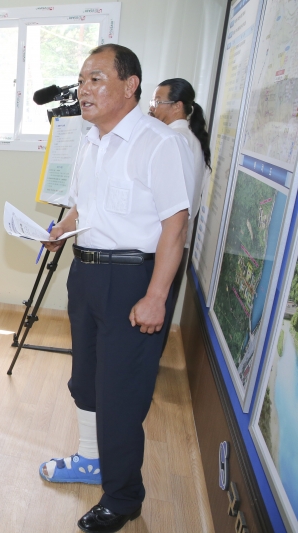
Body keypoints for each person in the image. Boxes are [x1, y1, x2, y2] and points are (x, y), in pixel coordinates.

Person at [39, 45, 193, 533]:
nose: (84, 89)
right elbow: (86, 206)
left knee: (121, 397)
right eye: (82, 79)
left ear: (131, 86)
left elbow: (176, 223)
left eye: (97, 79)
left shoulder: (157, 142)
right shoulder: (91, 139)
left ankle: (124, 497)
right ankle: (91, 459)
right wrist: (62, 228)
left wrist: (156, 296)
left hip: (133, 281)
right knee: (86, 381)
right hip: (86, 273)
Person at [149, 78, 212, 345]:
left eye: (157, 102)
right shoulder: (190, 138)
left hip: (165, 242)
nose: (151, 108)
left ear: (177, 106)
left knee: (151, 313)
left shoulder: (173, 139)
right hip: (178, 241)